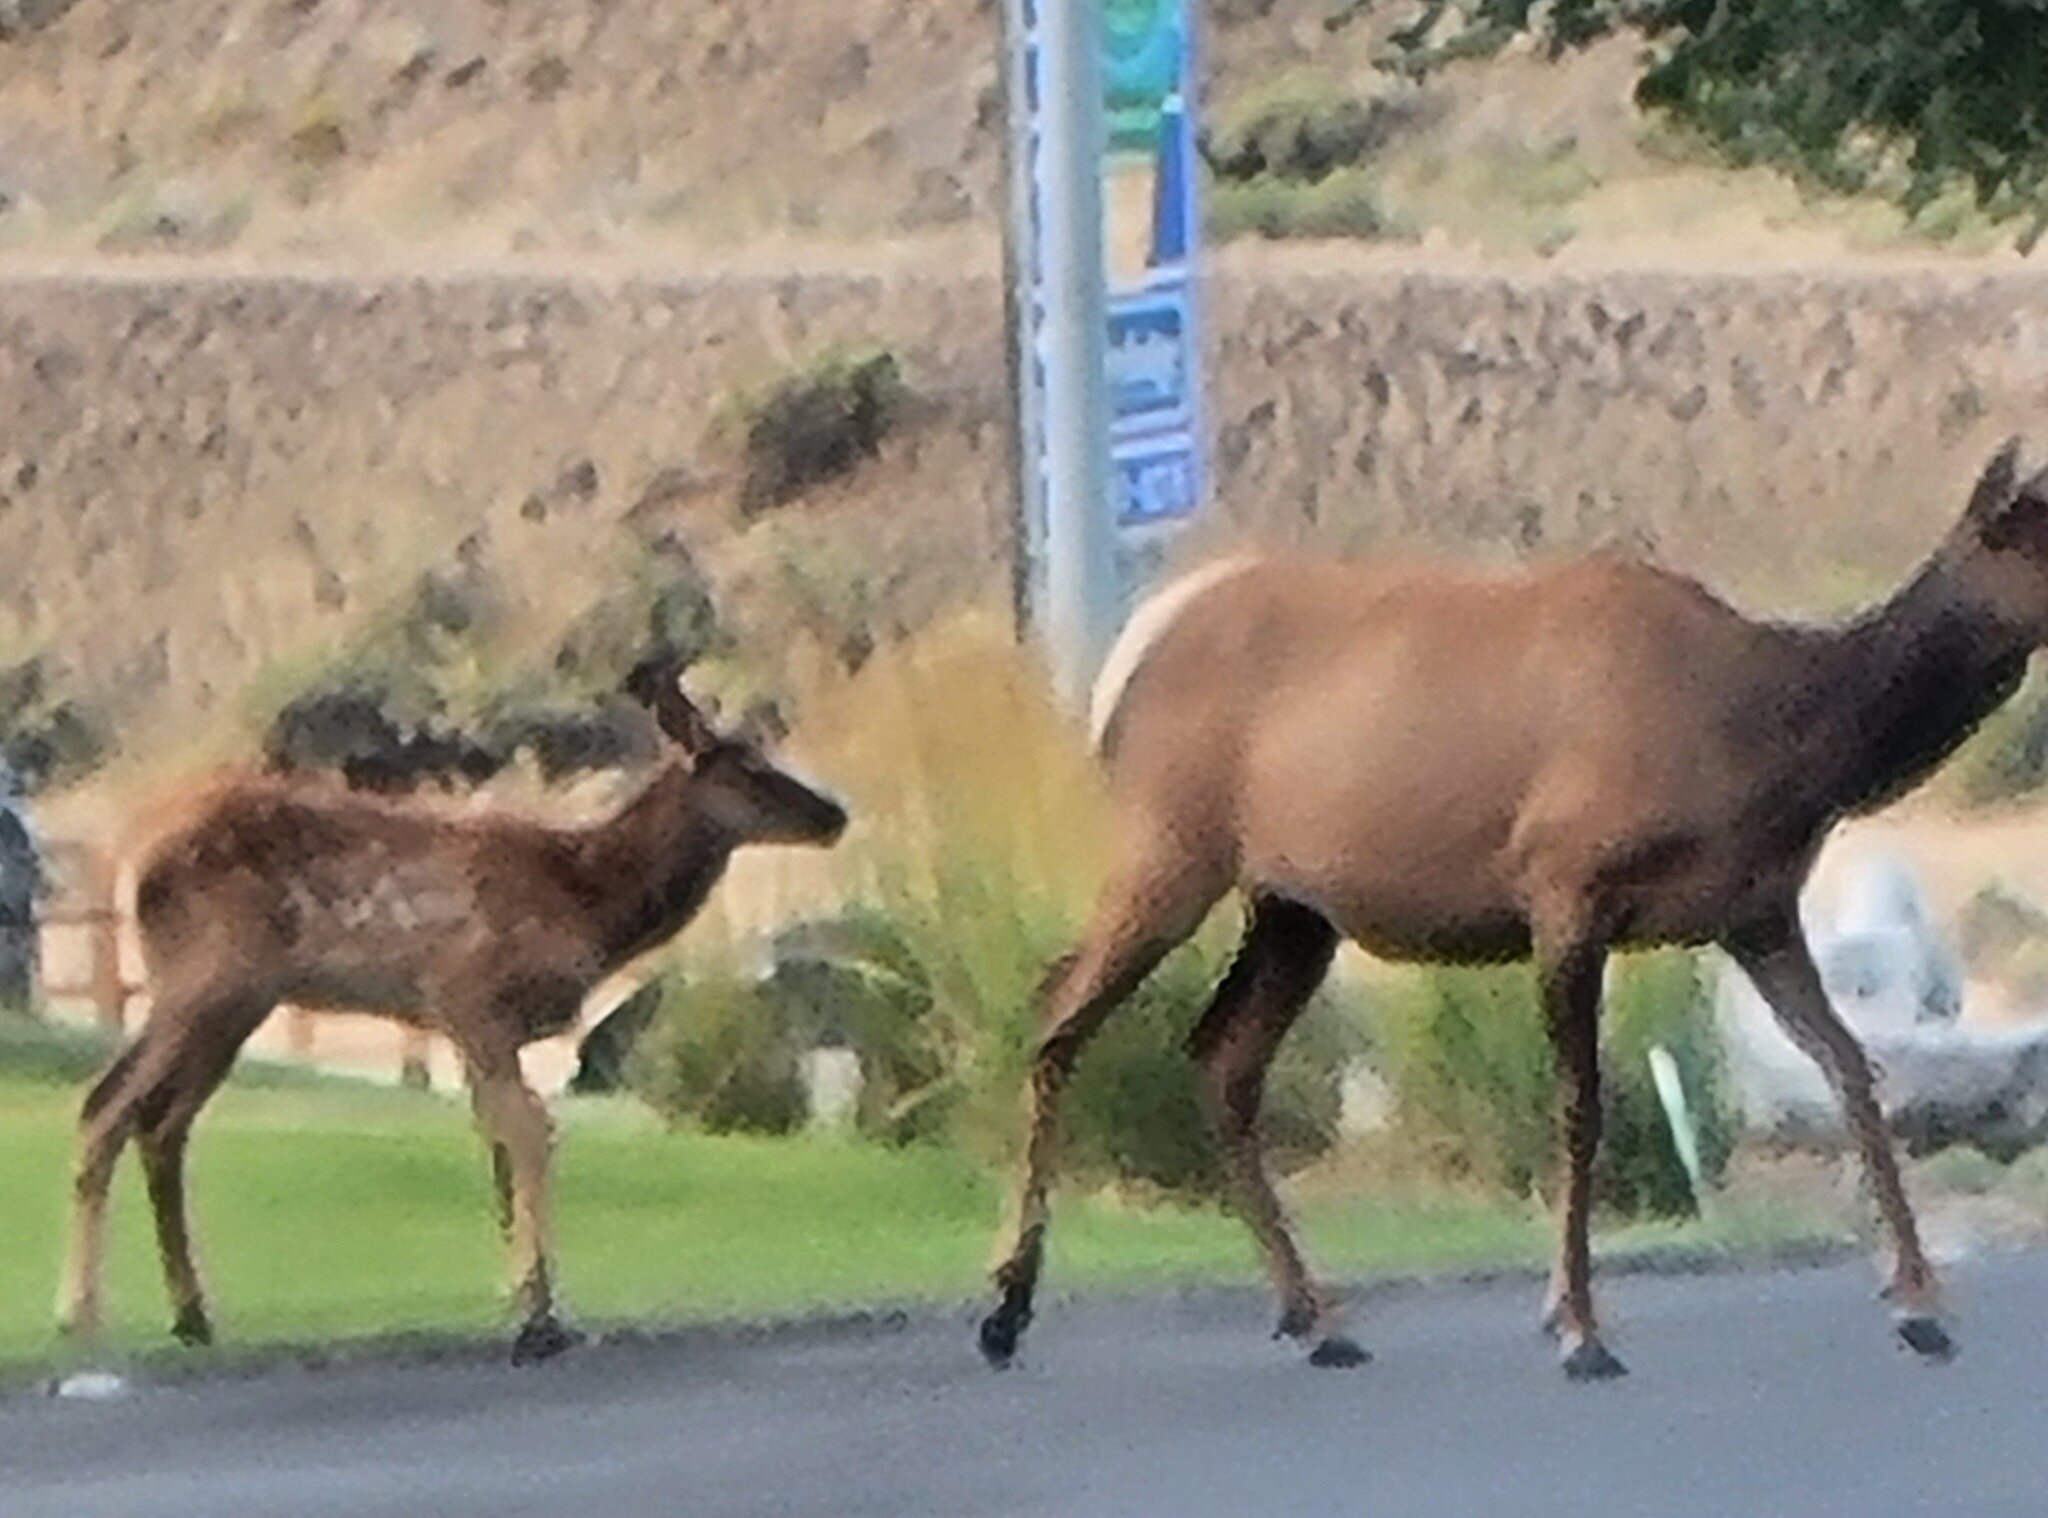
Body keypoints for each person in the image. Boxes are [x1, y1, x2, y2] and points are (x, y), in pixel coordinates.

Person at [0, 758, 43, 1011]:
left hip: (10, 917)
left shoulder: (11, 824)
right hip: (13, 915)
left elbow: (22, 868)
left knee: (13, 975)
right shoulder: (14, 823)